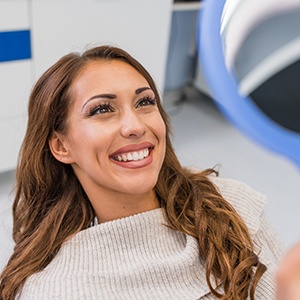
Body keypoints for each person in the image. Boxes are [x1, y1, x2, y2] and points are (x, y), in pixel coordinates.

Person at [0, 45, 283, 300]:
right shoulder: (53, 290)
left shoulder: (231, 204)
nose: (134, 126)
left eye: (144, 102)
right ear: (62, 147)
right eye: (102, 109)